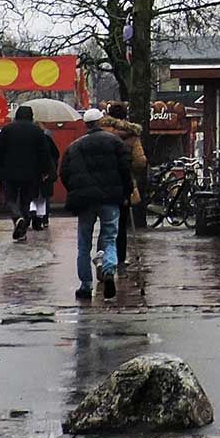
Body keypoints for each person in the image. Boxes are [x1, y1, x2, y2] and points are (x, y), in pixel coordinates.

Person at [60, 116, 133, 301]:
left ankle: (85, 286)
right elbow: (126, 168)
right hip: (110, 198)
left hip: (85, 200)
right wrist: (126, 192)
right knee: (109, 237)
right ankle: (108, 269)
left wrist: (75, 191)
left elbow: (65, 173)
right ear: (101, 122)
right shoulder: (115, 142)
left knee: (83, 244)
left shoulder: (74, 146)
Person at [0, 104, 52, 242]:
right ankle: (22, 229)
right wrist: (44, 170)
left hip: (10, 171)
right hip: (31, 173)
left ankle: (16, 217)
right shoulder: (37, 131)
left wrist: (2, 165)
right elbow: (44, 152)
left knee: (10, 198)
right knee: (26, 201)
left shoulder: (7, 129)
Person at [104, 104, 148, 267]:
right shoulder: (131, 136)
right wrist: (130, 170)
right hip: (123, 183)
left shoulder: (101, 133)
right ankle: (120, 258)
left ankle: (104, 257)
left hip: (103, 183)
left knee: (105, 223)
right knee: (121, 224)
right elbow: (140, 161)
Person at [29, 120, 59, 235]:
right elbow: (55, 154)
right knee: (43, 197)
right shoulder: (47, 139)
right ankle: (43, 219)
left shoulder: (28, 141)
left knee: (31, 196)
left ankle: (32, 214)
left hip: (31, 172)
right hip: (45, 172)